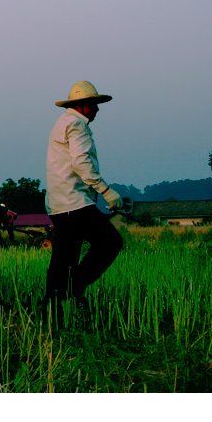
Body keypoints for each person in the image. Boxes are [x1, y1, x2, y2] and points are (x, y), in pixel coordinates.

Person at [44, 80, 124, 310]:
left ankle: (54, 306)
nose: (97, 109)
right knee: (110, 242)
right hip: (74, 201)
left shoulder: (63, 122)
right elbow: (81, 163)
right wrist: (106, 191)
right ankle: (72, 289)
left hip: (60, 202)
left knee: (64, 258)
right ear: (82, 105)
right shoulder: (77, 125)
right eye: (93, 104)